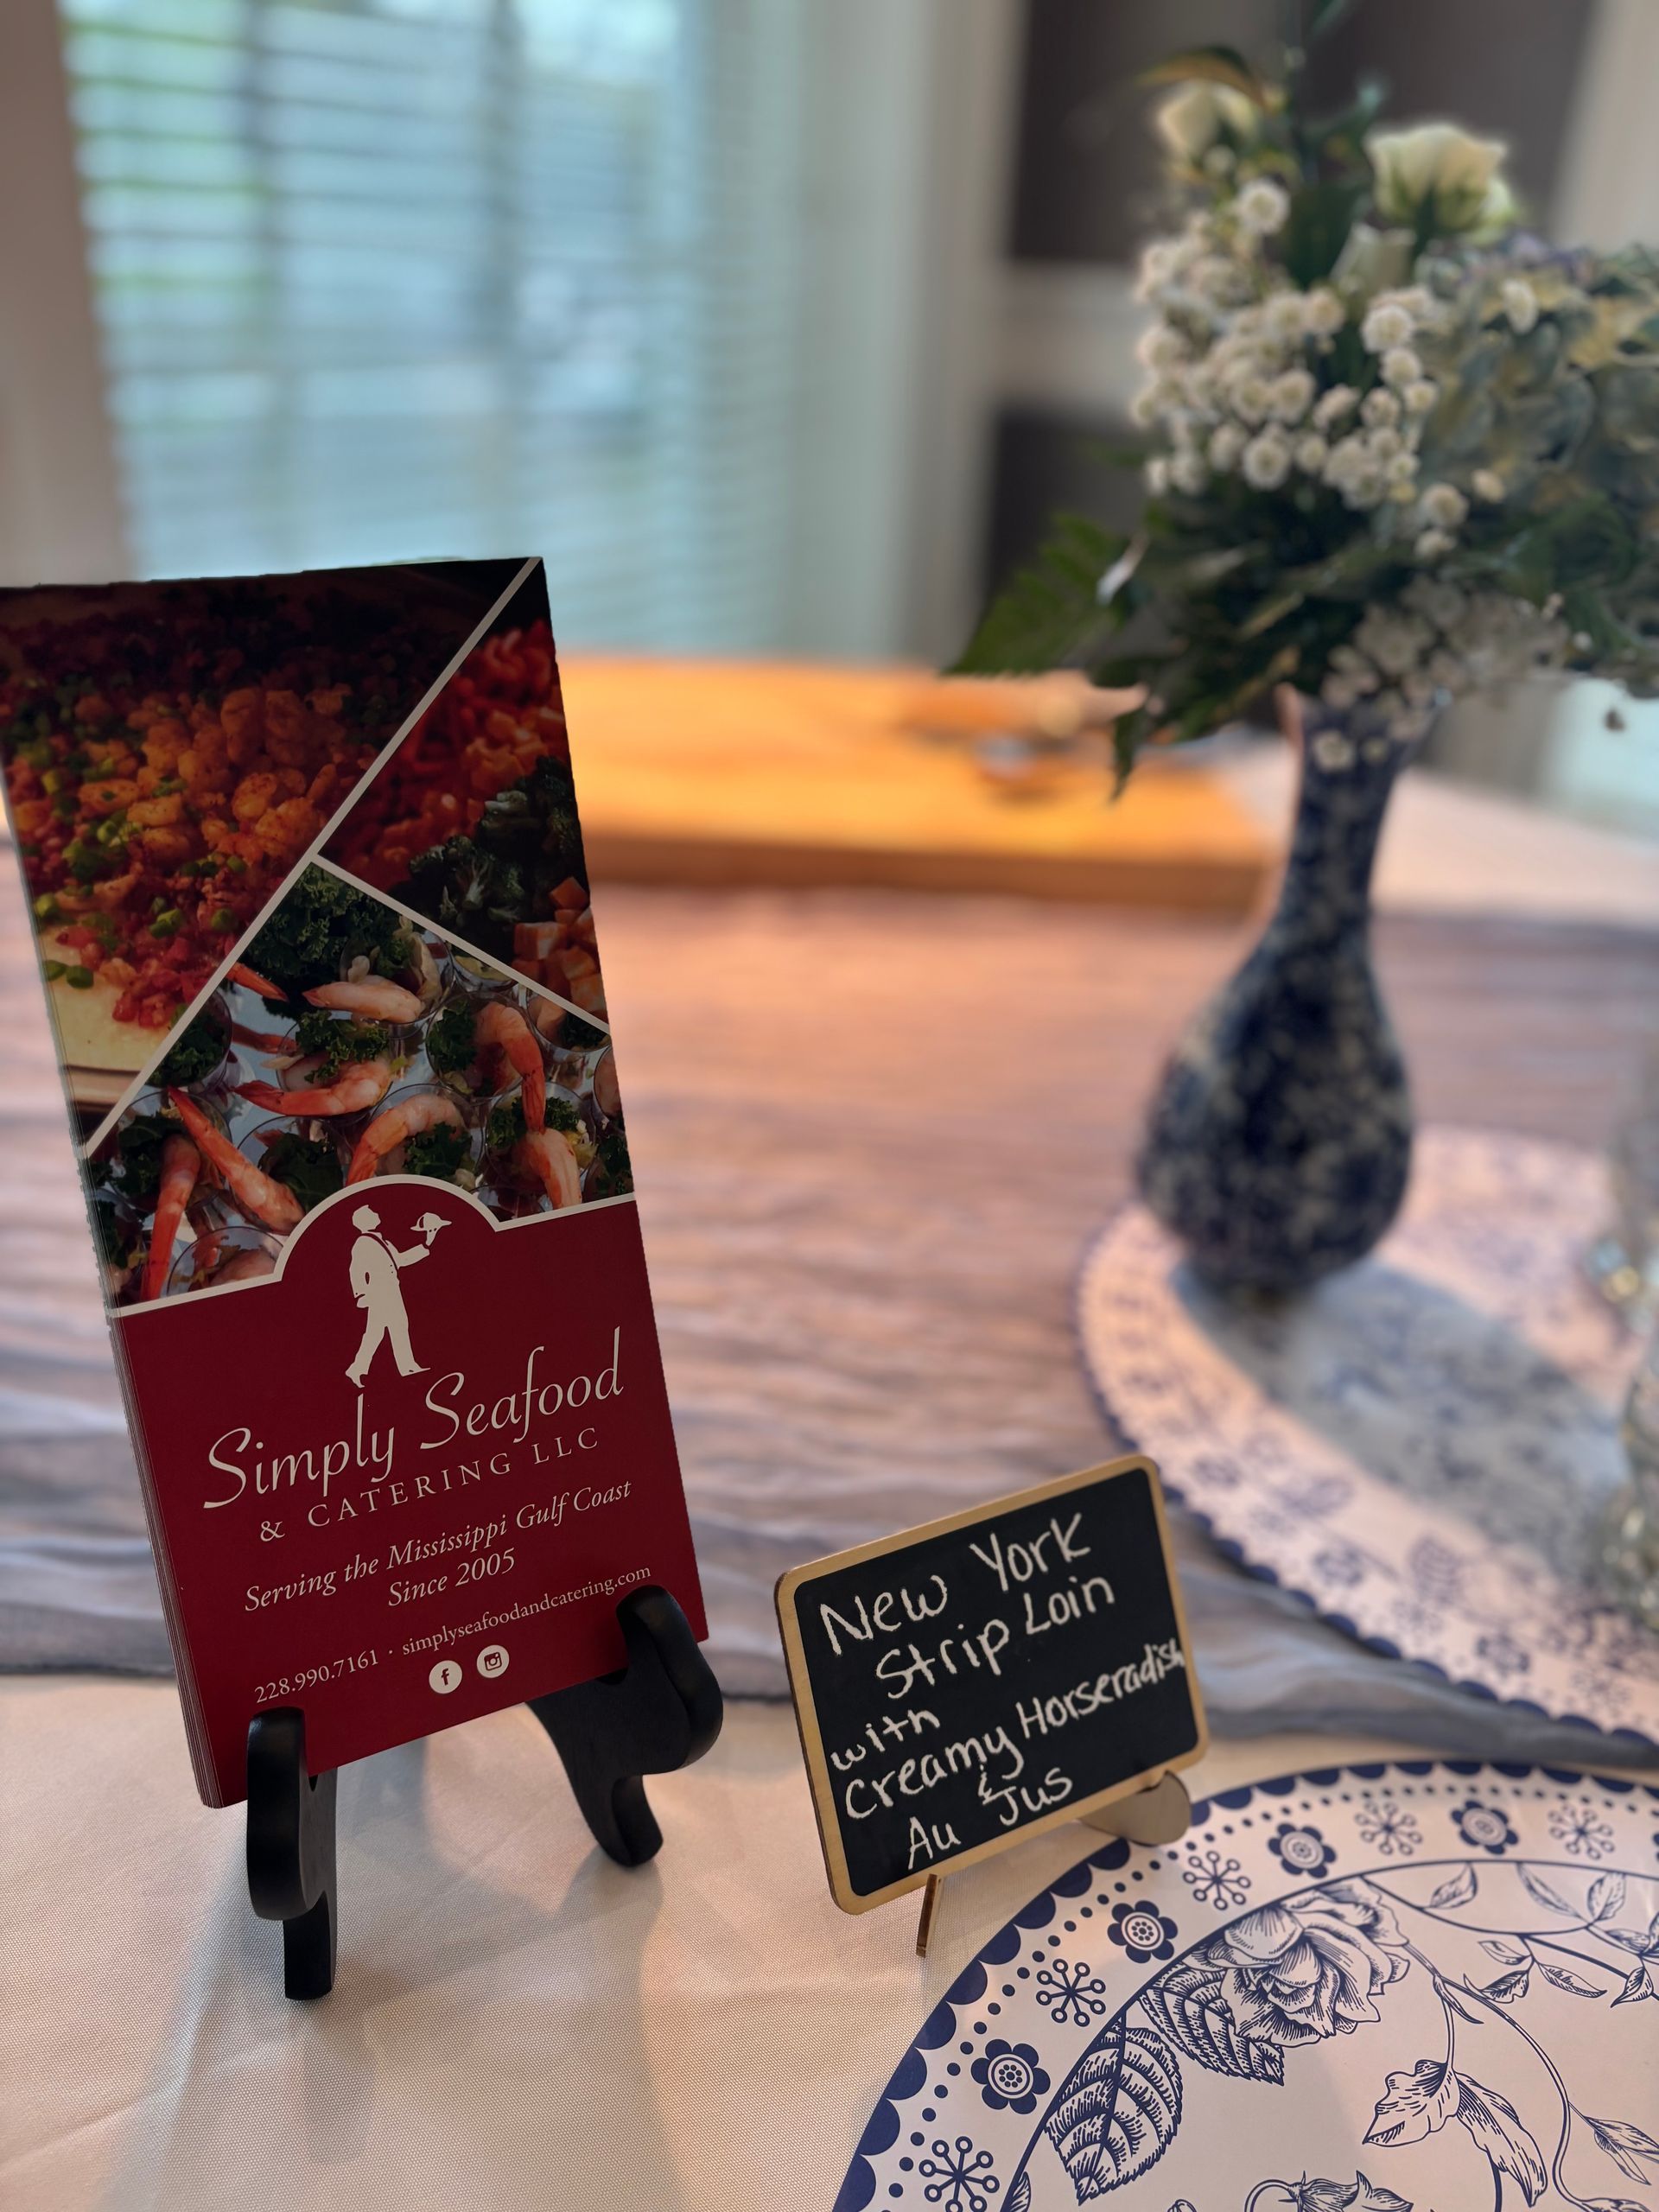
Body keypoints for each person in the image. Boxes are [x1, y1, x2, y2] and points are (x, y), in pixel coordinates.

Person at [345, 1203, 441, 1387]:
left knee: (396, 1327)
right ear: (365, 1220)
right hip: (378, 1293)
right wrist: (361, 1294)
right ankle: (358, 1369)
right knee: (376, 1333)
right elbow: (355, 1270)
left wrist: (426, 1244)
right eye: (371, 1212)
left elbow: (401, 1260)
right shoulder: (362, 1243)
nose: (376, 1212)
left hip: (392, 1290)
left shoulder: (384, 1241)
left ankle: (407, 1367)